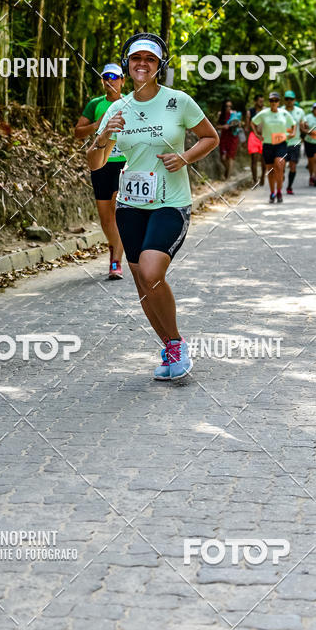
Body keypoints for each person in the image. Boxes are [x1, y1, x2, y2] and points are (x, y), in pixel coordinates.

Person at [87, 32, 218, 380]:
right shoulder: (117, 108)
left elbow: (211, 136)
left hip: (170, 202)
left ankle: (176, 342)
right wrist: (101, 138)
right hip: (130, 204)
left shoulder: (179, 101)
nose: (142, 64)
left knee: (151, 271)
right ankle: (170, 347)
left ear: (159, 65)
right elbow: (95, 163)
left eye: (150, 59)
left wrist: (185, 157)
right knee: (142, 282)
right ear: (128, 64)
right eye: (136, 59)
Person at [74, 63, 126, 279]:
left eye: (114, 77)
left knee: (117, 210)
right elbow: (78, 132)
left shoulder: (131, 103)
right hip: (101, 163)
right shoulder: (95, 104)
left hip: (124, 162)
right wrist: (98, 125)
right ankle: (116, 249)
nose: (110, 81)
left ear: (123, 80)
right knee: (105, 218)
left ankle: (116, 261)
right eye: (106, 77)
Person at [252, 92, 295, 204]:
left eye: (276, 100)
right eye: (271, 100)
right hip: (267, 144)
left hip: (281, 144)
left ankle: (279, 191)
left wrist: (293, 133)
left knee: (279, 164)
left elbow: (293, 124)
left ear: (279, 102)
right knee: (270, 171)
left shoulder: (284, 113)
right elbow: (253, 122)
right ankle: (272, 193)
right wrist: (257, 134)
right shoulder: (264, 113)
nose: (274, 103)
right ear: (269, 102)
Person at [283, 90, 305, 194]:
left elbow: (302, 124)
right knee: (281, 165)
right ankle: (281, 174)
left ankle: (289, 186)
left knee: (292, 165)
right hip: (281, 142)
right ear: (284, 100)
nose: (289, 101)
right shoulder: (280, 110)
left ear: (294, 100)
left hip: (295, 142)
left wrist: (306, 130)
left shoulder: (300, 111)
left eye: (291, 99)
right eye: (287, 99)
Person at [216, 98, 242, 180]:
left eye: (230, 106)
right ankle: (227, 171)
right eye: (227, 106)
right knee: (223, 158)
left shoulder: (234, 114)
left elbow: (240, 125)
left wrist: (235, 124)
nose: (228, 108)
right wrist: (223, 126)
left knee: (230, 157)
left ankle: (228, 177)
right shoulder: (220, 114)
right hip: (224, 138)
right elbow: (216, 126)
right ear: (224, 106)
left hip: (233, 137)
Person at [245, 94, 265, 186]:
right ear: (255, 102)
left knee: (264, 159)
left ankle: (263, 177)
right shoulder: (250, 112)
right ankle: (255, 180)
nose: (261, 103)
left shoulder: (266, 111)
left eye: (262, 101)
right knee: (254, 159)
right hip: (253, 136)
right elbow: (247, 126)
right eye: (260, 101)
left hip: (264, 136)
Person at [301, 102, 316, 186]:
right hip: (309, 142)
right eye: (315, 109)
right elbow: (302, 128)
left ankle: (315, 177)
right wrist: (308, 131)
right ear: (313, 110)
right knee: (310, 161)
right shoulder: (308, 117)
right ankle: (311, 176)